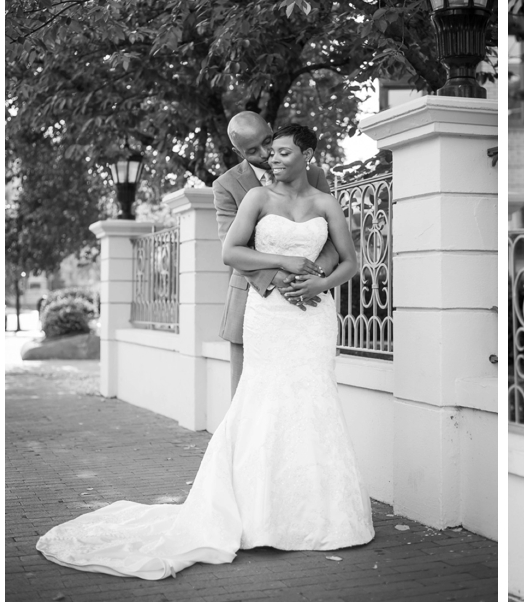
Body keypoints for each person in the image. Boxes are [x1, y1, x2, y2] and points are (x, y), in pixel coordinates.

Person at [36, 124, 374, 578]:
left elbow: (349, 260)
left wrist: (319, 283)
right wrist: (284, 264)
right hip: (269, 314)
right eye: (268, 153)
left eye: (282, 152)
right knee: (263, 401)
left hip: (314, 317)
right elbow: (231, 252)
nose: (271, 160)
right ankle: (257, 515)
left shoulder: (326, 201)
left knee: (315, 400)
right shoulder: (255, 198)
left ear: (308, 155)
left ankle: (321, 517)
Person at [213, 110, 341, 398]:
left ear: (271, 129)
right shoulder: (226, 185)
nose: (263, 153)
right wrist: (279, 276)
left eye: (267, 141)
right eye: (251, 151)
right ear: (238, 152)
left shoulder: (314, 175)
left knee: (306, 389)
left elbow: (331, 241)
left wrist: (312, 277)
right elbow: (232, 246)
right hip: (253, 300)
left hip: (308, 298)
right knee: (250, 396)